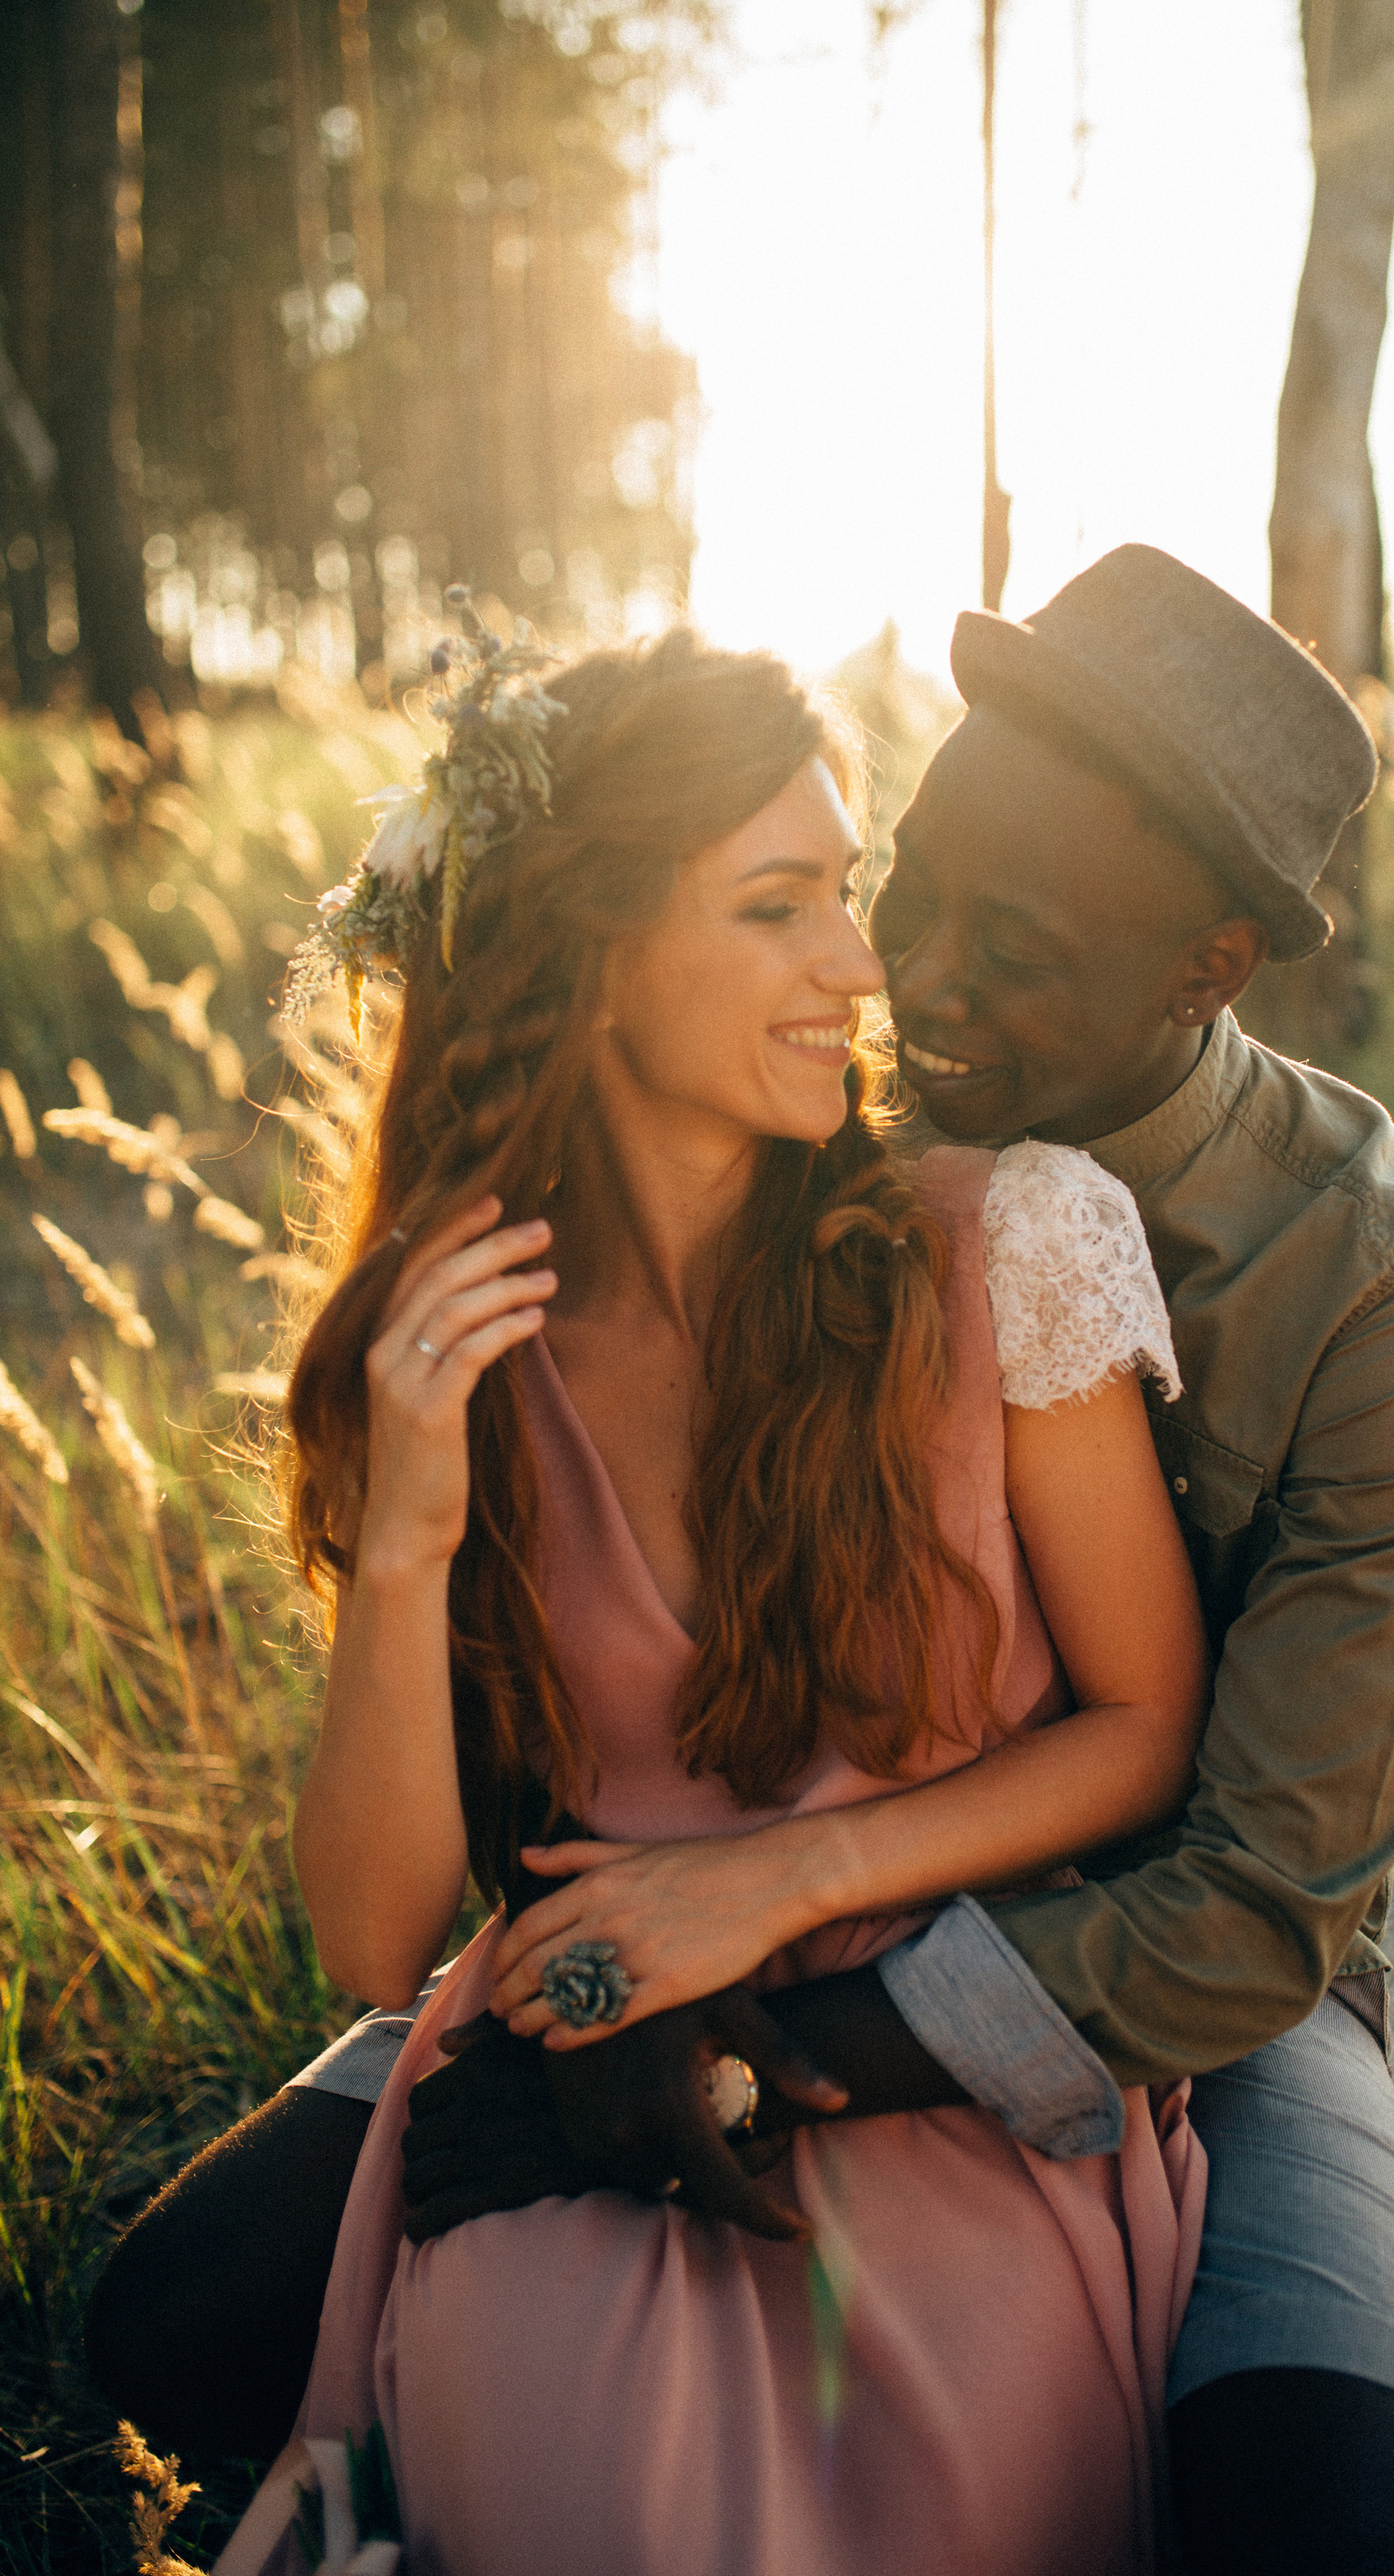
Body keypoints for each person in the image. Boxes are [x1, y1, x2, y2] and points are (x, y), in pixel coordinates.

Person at [89, 549, 1394, 2576]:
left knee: (1365, 2537)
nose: (906, 982)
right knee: (181, 2318)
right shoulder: (773, 1163)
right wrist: (606, 1965)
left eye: (1008, 948)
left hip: (1180, 1986)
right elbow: (478, 1847)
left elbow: (1252, 1889)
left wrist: (753, 2044)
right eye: (892, 887)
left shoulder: (1379, 1280)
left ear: (1204, 967)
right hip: (690, 1916)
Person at [207, 615, 1215, 2576]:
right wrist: (407, 1532)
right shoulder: (455, 1344)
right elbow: (375, 1933)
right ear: (591, 964)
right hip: (576, 2094)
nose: (860, 966)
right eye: (778, 908)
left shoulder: (1006, 1243)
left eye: (843, 895)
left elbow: (1150, 1732)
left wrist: (770, 1885)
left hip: (951, 2081)